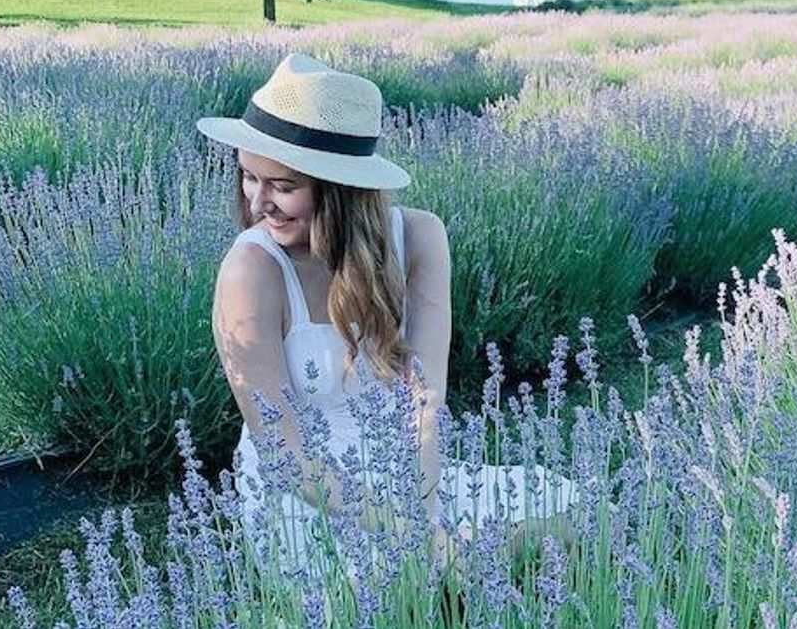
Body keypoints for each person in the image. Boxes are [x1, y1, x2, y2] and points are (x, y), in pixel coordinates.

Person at [202, 54, 577, 577]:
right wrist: (417, 537)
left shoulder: (421, 237)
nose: (258, 201)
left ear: (341, 191)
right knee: (384, 578)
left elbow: (425, 398)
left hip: (403, 469)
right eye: (248, 177)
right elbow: (282, 449)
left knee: (573, 507)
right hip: (305, 489)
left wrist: (422, 514)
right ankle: (461, 566)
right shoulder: (251, 270)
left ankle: (460, 563)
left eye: (283, 187)